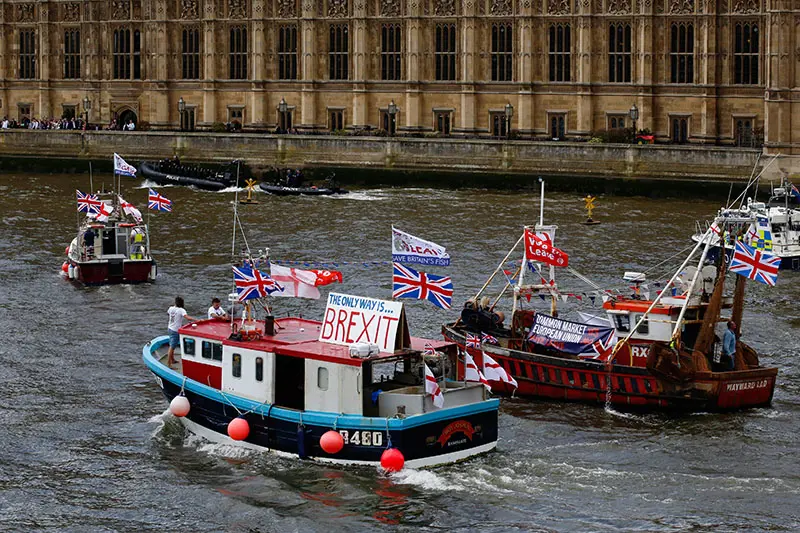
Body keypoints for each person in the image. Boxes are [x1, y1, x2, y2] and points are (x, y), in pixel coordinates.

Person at [167, 296, 198, 367]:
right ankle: (169, 364)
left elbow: (169, 314)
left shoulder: (171, 308)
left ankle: (172, 359)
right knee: (172, 347)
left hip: (170, 328)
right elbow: (187, 317)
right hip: (175, 330)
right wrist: (196, 320)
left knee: (172, 345)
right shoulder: (181, 310)